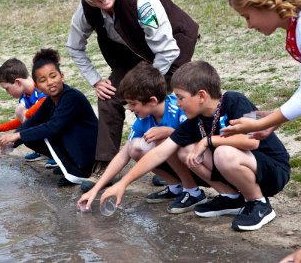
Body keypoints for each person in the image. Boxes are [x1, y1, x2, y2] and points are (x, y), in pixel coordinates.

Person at [222, 0, 301, 259]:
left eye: (247, 15)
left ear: (265, 1)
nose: (249, 25)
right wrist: (272, 123)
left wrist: (253, 126)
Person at [100, 61, 290, 231]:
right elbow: (159, 153)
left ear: (201, 96)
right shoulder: (194, 121)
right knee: (184, 151)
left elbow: (252, 141)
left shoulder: (233, 101)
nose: (178, 104)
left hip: (272, 169)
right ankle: (231, 198)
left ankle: (259, 203)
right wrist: (123, 183)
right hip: (241, 168)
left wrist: (208, 141)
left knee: (223, 153)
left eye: (181, 97)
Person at [66, 0, 199, 187]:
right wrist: (96, 80)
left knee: (157, 104)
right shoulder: (87, 8)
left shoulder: (141, 1)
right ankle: (106, 165)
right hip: (131, 55)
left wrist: (145, 85)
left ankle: (172, 163)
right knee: (108, 97)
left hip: (171, 48)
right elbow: (73, 47)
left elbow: (166, 50)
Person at [78, 62, 207, 214]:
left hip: (200, 165)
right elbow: (123, 154)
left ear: (152, 101)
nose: (130, 108)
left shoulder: (178, 108)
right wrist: (96, 189)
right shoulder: (144, 118)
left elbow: (197, 138)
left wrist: (169, 131)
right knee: (135, 147)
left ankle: (193, 192)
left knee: (164, 140)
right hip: (178, 164)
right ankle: (175, 187)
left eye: (133, 103)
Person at [0, 49, 99, 187]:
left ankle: (80, 172)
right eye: (43, 80)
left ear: (62, 76)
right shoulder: (50, 101)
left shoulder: (71, 97)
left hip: (89, 150)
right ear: (37, 86)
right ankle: (67, 164)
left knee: (41, 133)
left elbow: (53, 127)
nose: (50, 82)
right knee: (29, 135)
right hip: (75, 144)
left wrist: (18, 135)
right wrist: (12, 141)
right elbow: (32, 122)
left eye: (53, 76)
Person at [0, 58, 56, 167]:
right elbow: (25, 121)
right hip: (46, 129)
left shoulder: (41, 88)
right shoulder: (25, 96)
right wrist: (0, 127)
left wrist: (23, 115)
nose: (7, 92)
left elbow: (35, 114)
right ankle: (44, 151)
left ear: (18, 82)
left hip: (61, 132)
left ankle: (57, 154)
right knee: (25, 133)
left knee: (25, 135)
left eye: (7, 88)